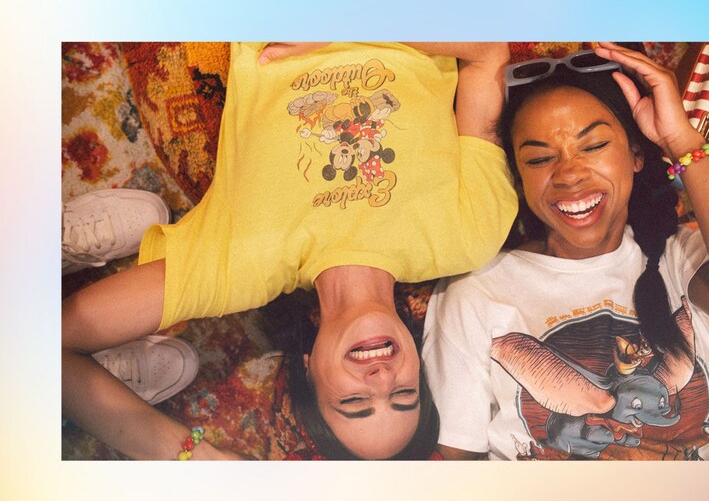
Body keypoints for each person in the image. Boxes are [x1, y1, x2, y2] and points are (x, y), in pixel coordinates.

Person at [62, 41, 517, 460]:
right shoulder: (468, 236)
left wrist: (192, 456)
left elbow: (48, 344)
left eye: (354, 402)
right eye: (404, 395)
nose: (381, 380)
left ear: (308, 369)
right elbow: (487, 53)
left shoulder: (240, 268)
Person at [422, 42, 709, 460]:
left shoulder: (678, 258)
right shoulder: (477, 290)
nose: (570, 174)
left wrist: (680, 139)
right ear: (519, 178)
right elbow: (454, 467)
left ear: (636, 155)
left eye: (593, 146)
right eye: (540, 159)